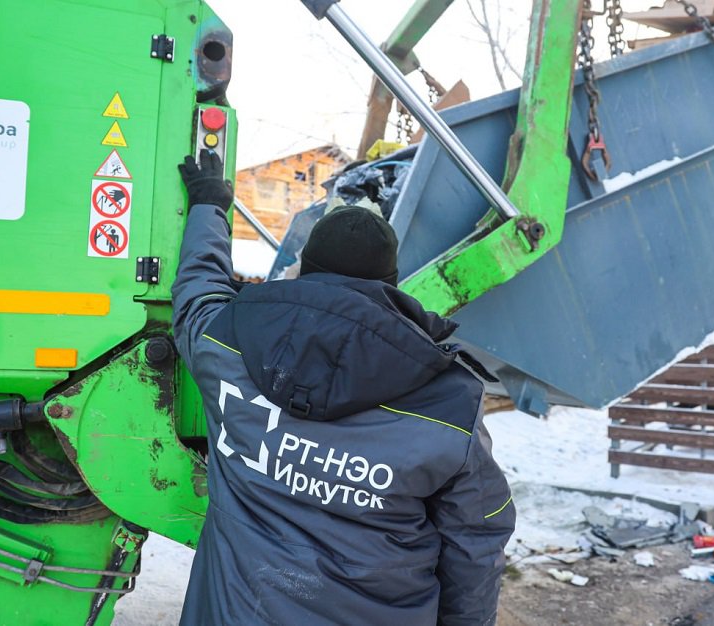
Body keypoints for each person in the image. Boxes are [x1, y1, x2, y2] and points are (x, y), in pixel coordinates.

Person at [172, 149, 515, 625]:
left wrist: (210, 205)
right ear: (391, 285)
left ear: (307, 268)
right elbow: (475, 541)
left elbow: (197, 291)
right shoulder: (449, 401)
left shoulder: (226, 344)